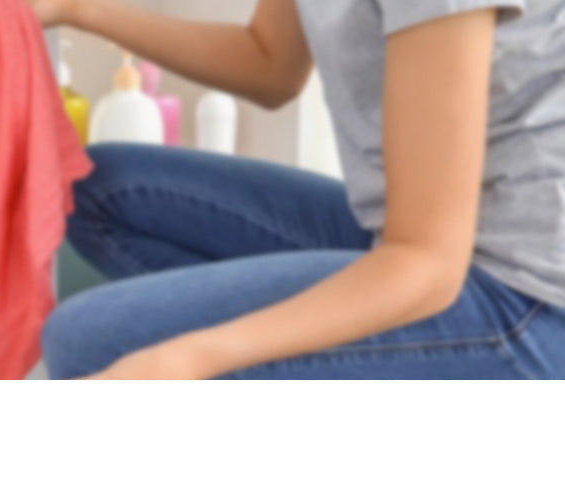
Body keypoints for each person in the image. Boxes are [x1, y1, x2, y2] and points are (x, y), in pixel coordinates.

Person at [28, 0, 565, 379]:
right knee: (99, 189)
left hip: (523, 301)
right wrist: (81, 7)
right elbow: (269, 62)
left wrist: (193, 356)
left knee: (90, 340)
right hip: (417, 237)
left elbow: (428, 265)